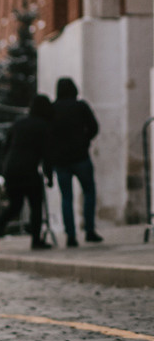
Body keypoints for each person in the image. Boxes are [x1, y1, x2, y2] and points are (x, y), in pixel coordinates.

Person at [0, 94, 55, 251]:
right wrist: (49, 175)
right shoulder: (43, 126)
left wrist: (3, 168)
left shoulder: (19, 123)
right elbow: (47, 153)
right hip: (28, 169)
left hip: (11, 168)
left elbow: (6, 147)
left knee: (15, 204)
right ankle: (36, 240)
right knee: (35, 205)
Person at [51, 76, 103, 246]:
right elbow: (94, 127)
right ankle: (89, 230)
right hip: (80, 156)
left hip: (61, 160)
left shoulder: (53, 109)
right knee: (89, 192)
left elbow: (48, 133)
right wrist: (85, 140)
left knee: (66, 197)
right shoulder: (80, 106)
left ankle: (71, 235)